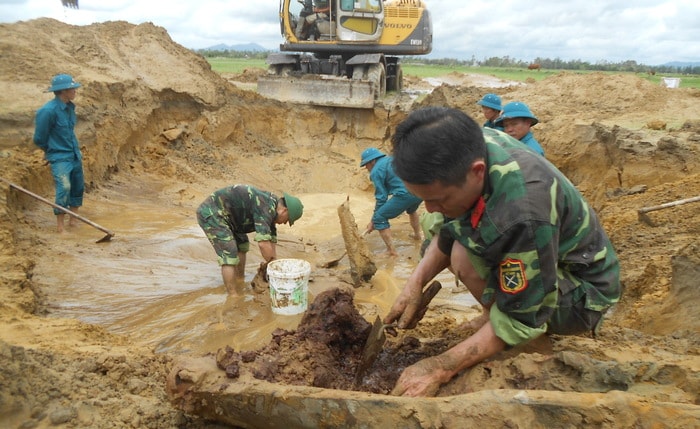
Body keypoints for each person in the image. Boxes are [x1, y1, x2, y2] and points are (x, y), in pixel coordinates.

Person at [384, 107, 621, 397]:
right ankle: (494, 320)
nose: (431, 208)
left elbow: (523, 318)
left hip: (583, 295)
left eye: (438, 199)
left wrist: (440, 367)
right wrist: (414, 283)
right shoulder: (471, 145)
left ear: (477, 172)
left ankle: (528, 345)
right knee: (455, 240)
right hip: (542, 255)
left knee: (466, 260)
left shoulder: (523, 215)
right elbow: (450, 226)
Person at [196, 185, 304, 296]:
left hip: (231, 218)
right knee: (229, 253)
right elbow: (263, 244)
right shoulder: (266, 207)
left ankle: (239, 280)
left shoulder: (272, 207)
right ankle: (233, 295)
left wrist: (274, 263)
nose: (285, 223)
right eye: (288, 219)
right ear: (284, 211)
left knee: (242, 244)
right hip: (212, 213)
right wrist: (274, 269)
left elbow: (271, 240)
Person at [33, 73, 85, 233]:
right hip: (59, 156)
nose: (75, 91)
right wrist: (50, 152)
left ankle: (73, 221)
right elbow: (39, 138)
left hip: (74, 154)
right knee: (64, 187)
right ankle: (60, 227)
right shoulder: (48, 111)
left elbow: (68, 131)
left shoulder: (70, 108)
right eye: (72, 89)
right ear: (63, 91)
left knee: (78, 186)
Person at [360, 147, 422, 256]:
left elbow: (381, 197)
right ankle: (417, 235)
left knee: (380, 217)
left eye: (366, 164)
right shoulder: (392, 159)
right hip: (419, 191)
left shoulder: (376, 171)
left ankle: (391, 250)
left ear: (373, 161)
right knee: (412, 210)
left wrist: (373, 220)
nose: (366, 168)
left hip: (405, 194)